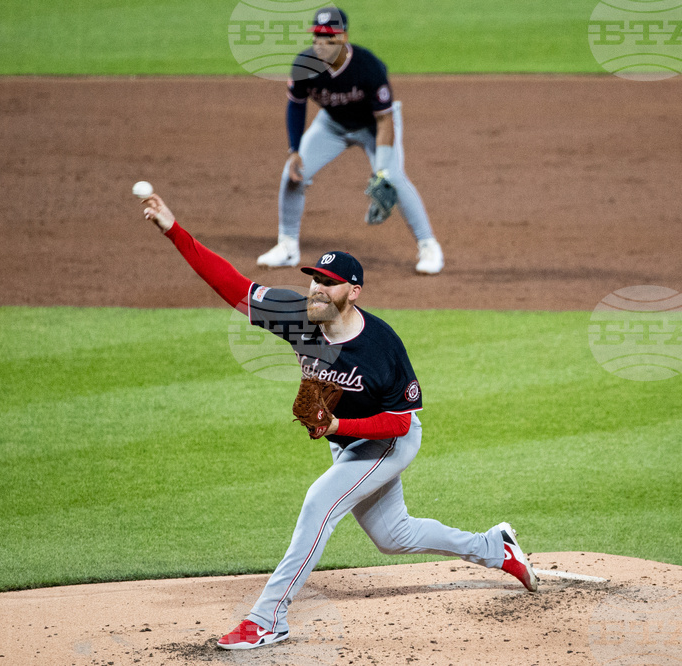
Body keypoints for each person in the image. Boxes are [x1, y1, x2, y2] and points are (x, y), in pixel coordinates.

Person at [140, 192, 536, 651]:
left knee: (319, 503)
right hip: (345, 437)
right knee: (395, 536)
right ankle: (494, 546)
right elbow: (233, 286)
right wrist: (174, 230)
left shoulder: (381, 345)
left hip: (385, 440)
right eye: (314, 279)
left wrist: (336, 429)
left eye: (328, 283)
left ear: (354, 292)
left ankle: (268, 618)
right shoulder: (298, 317)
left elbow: (400, 425)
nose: (316, 289)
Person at [257, 6, 445, 276]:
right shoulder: (304, 65)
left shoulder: (368, 67)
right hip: (332, 125)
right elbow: (296, 106)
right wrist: (294, 150)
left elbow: (384, 121)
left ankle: (429, 247)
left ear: (343, 37)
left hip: (373, 126)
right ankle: (287, 246)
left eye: (329, 38)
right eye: (316, 37)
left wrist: (381, 171)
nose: (320, 44)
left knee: (392, 179)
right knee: (293, 174)